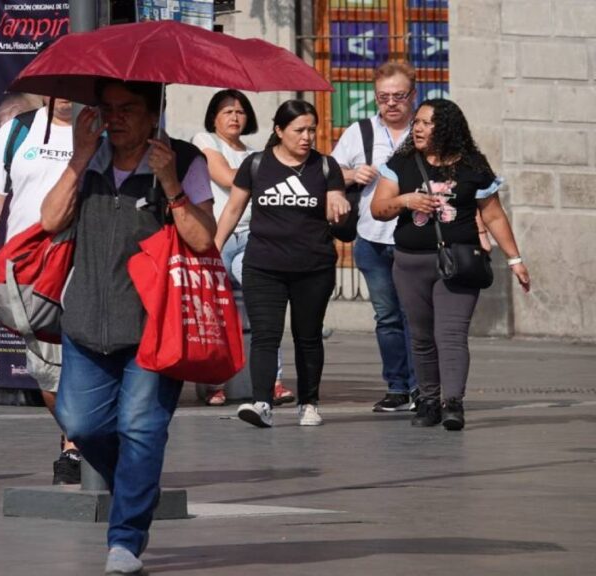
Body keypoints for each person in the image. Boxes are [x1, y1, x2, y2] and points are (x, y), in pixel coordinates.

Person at [41, 80, 214, 576]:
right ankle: (139, 485)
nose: (114, 119)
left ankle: (125, 541)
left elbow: (203, 239)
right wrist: (77, 159)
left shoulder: (182, 159)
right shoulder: (89, 158)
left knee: (140, 428)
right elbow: (51, 220)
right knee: (80, 423)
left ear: (152, 112)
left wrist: (172, 184)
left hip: (154, 329)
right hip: (86, 322)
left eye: (126, 109)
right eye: (107, 109)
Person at [371, 98, 530, 431]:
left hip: (459, 262)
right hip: (410, 263)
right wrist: (405, 200)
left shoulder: (473, 166)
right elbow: (378, 208)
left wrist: (514, 259)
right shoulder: (401, 164)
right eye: (417, 122)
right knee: (421, 336)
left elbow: (494, 215)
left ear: (446, 129)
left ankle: (453, 402)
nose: (418, 128)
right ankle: (428, 401)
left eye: (427, 123)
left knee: (451, 334)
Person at [0, 97, 82, 485]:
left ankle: (75, 446)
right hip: (30, 270)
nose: (66, 94)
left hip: (87, 263)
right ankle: (77, 434)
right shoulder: (18, 131)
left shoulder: (102, 129)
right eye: (58, 85)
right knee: (47, 370)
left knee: (89, 356)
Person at [217, 100, 349, 428]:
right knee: (265, 335)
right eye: (298, 130)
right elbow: (233, 210)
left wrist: (339, 203)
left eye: (311, 130)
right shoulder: (257, 164)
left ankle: (308, 403)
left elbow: (341, 218)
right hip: (263, 265)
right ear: (279, 131)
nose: (306, 137)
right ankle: (262, 402)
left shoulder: (326, 166)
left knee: (308, 336)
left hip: (313, 267)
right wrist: (214, 248)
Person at [191, 89, 293, 407]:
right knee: (215, 310)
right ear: (213, 118)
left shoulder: (254, 153)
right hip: (218, 237)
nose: (235, 117)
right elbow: (226, 177)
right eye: (227, 112)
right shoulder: (204, 140)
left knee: (263, 303)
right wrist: (275, 173)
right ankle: (214, 383)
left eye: (240, 111)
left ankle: (272, 380)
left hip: (252, 237)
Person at [331, 62, 419, 412]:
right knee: (387, 316)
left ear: (413, 95)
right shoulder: (360, 132)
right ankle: (397, 387)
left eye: (399, 96)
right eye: (384, 97)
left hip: (415, 239)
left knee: (416, 315)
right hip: (371, 238)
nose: (391, 103)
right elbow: (329, 172)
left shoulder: (426, 131)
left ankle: (422, 388)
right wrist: (352, 174)